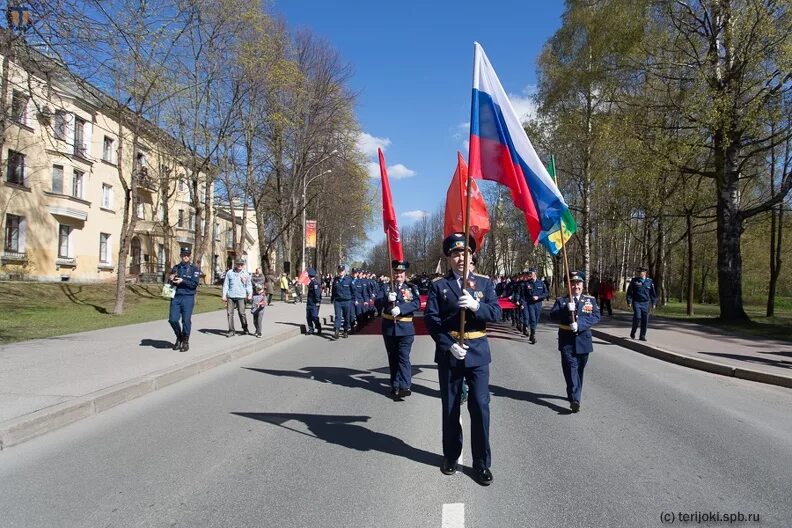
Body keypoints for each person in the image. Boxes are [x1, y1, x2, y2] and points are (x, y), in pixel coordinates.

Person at [425, 233, 501, 486]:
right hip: (451, 353)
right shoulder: (439, 286)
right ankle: (451, 456)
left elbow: (497, 313)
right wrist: (448, 345)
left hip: (478, 352)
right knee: (450, 407)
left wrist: (478, 307)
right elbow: (432, 321)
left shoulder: (484, 284)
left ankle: (481, 464)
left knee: (480, 407)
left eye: (465, 253)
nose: (461, 258)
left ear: (472, 256)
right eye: (455, 254)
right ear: (449, 258)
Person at [549, 271, 601, 413]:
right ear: (568, 285)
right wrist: (566, 309)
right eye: (572, 283)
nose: (575, 286)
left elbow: (596, 316)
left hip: (584, 340)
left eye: (578, 283)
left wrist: (581, 324)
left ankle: (572, 393)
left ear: (583, 285)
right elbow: (552, 316)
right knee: (571, 368)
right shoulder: (562, 300)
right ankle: (575, 400)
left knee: (579, 370)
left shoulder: (590, 300)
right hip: (567, 341)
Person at [382, 260, 421, 400]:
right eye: (396, 272)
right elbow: (376, 303)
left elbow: (416, 303)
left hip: (405, 328)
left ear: (405, 274)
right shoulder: (386, 287)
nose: (398, 275)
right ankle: (394, 385)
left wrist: (401, 309)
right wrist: (386, 299)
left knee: (403, 357)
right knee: (393, 358)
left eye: (401, 272)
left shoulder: (411, 287)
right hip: (389, 328)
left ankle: (405, 386)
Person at [168, 246, 201, 352]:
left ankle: (185, 341)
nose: (185, 257)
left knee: (186, 321)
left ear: (189, 256)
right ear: (181, 255)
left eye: (187, 255)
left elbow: (194, 284)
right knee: (172, 319)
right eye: (184, 255)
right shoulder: (176, 267)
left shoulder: (194, 269)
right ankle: (179, 337)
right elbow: (170, 283)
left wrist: (183, 281)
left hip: (188, 297)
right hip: (176, 297)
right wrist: (171, 279)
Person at [222, 258, 253, 337]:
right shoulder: (230, 273)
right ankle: (231, 330)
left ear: (243, 265)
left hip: (241, 296)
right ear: (235, 264)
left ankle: (245, 328)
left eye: (241, 264)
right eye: (238, 264)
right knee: (229, 313)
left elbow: (249, 285)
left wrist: (249, 294)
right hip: (231, 296)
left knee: (242, 313)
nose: (240, 266)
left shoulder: (246, 274)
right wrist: (224, 295)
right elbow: (226, 284)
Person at [626, 265, 657, 341]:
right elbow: (629, 292)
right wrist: (629, 301)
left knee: (645, 319)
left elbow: (653, 294)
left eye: (641, 272)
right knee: (637, 317)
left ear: (645, 272)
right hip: (637, 302)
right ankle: (633, 332)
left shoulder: (649, 282)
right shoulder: (634, 281)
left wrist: (654, 302)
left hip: (646, 303)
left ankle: (642, 336)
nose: (640, 273)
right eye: (639, 272)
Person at [523, 268, 548, 344]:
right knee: (533, 319)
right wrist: (523, 304)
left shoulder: (541, 283)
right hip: (530, 303)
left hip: (538, 304)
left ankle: (532, 333)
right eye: (529, 273)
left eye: (531, 272)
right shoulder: (527, 283)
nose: (530, 274)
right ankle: (533, 335)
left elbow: (546, 293)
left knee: (536, 319)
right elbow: (523, 295)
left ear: (535, 273)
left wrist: (538, 297)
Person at [331, 264, 354, 338]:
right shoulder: (335, 280)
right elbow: (333, 291)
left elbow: (353, 290)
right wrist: (332, 299)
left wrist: (352, 299)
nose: (340, 272)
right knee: (338, 316)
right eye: (339, 271)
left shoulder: (349, 280)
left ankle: (345, 330)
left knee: (346, 316)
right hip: (338, 301)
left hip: (347, 301)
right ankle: (336, 331)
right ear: (338, 271)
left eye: (342, 271)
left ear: (344, 271)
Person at [305, 267, 322, 335]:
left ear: (309, 275)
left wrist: (317, 302)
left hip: (314, 303)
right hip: (309, 302)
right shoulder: (311, 282)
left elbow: (317, 293)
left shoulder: (315, 283)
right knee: (308, 316)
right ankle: (311, 329)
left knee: (314, 316)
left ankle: (318, 327)